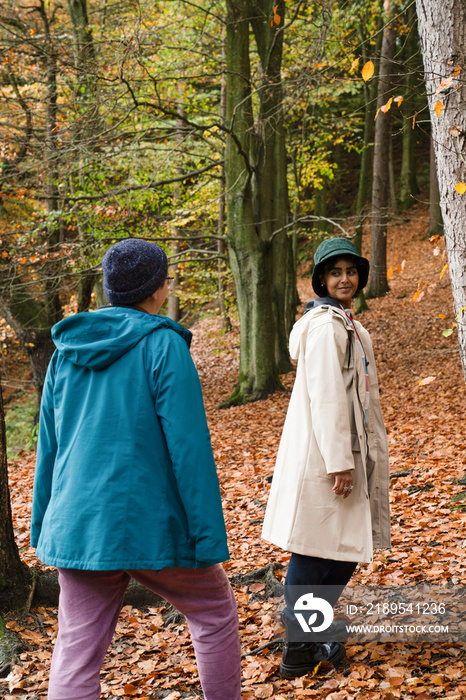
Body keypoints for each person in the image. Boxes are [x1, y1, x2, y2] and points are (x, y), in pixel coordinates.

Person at [31, 238, 242, 700]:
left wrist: (45, 522)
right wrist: (206, 537)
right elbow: (189, 449)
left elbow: (49, 446)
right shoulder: (164, 345)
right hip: (152, 524)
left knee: (77, 648)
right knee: (214, 613)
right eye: (165, 278)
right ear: (154, 290)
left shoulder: (65, 353)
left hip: (79, 523)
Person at [262, 237, 390, 678]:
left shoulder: (347, 323)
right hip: (326, 457)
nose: (344, 279)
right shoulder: (323, 326)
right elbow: (327, 397)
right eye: (335, 272)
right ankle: (298, 649)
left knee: (344, 551)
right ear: (320, 279)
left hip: (347, 451)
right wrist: (339, 461)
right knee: (316, 550)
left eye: (350, 271)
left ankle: (309, 634)